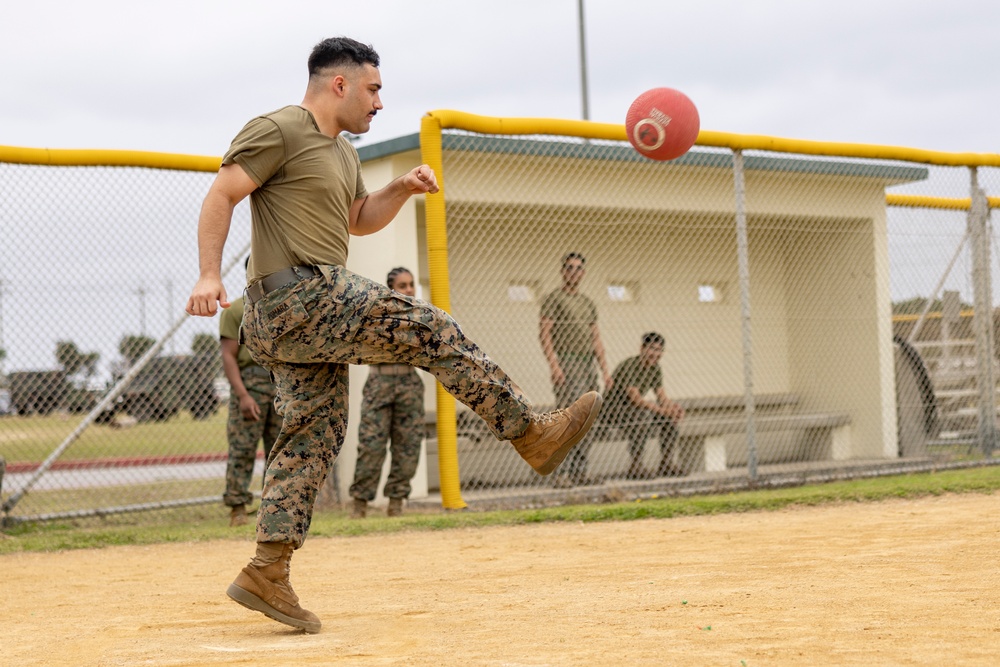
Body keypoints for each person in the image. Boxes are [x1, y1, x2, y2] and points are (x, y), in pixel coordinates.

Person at [185, 36, 602, 634]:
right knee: (429, 327)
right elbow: (222, 192)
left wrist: (401, 188)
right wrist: (206, 273)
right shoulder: (279, 128)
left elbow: (359, 219)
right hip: (298, 295)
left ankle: (266, 568)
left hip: (305, 315)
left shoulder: (344, 152)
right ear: (340, 84)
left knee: (315, 431)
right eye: (374, 88)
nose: (380, 101)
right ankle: (530, 432)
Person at [349, 267, 425, 518]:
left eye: (411, 284)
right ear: (391, 288)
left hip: (409, 384)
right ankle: (360, 503)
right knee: (372, 445)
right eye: (403, 286)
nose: (409, 289)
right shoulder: (375, 314)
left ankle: (396, 502)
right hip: (379, 384)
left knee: (408, 445)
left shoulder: (419, 315)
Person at [539, 252, 613, 487]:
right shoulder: (554, 298)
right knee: (568, 419)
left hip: (587, 363)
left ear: (583, 273)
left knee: (587, 419)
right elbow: (545, 334)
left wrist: (605, 370)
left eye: (578, 268)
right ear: (562, 271)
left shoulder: (587, 302)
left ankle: (580, 471)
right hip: (567, 362)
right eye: (569, 267)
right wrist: (554, 365)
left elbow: (596, 338)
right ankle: (561, 474)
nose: (574, 272)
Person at [219, 285, 281, 527]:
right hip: (250, 383)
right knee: (243, 448)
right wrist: (243, 395)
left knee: (278, 450)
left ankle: (274, 508)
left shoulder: (282, 305)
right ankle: (237, 508)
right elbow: (228, 355)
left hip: (278, 381)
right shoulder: (236, 310)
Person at [602, 332, 685, 480]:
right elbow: (636, 399)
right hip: (612, 410)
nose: (656, 354)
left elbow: (661, 396)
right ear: (642, 348)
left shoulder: (655, 368)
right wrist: (663, 410)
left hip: (633, 411)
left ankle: (666, 464)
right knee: (643, 415)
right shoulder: (631, 365)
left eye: (659, 350)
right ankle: (636, 466)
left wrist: (673, 409)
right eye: (652, 349)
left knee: (669, 419)